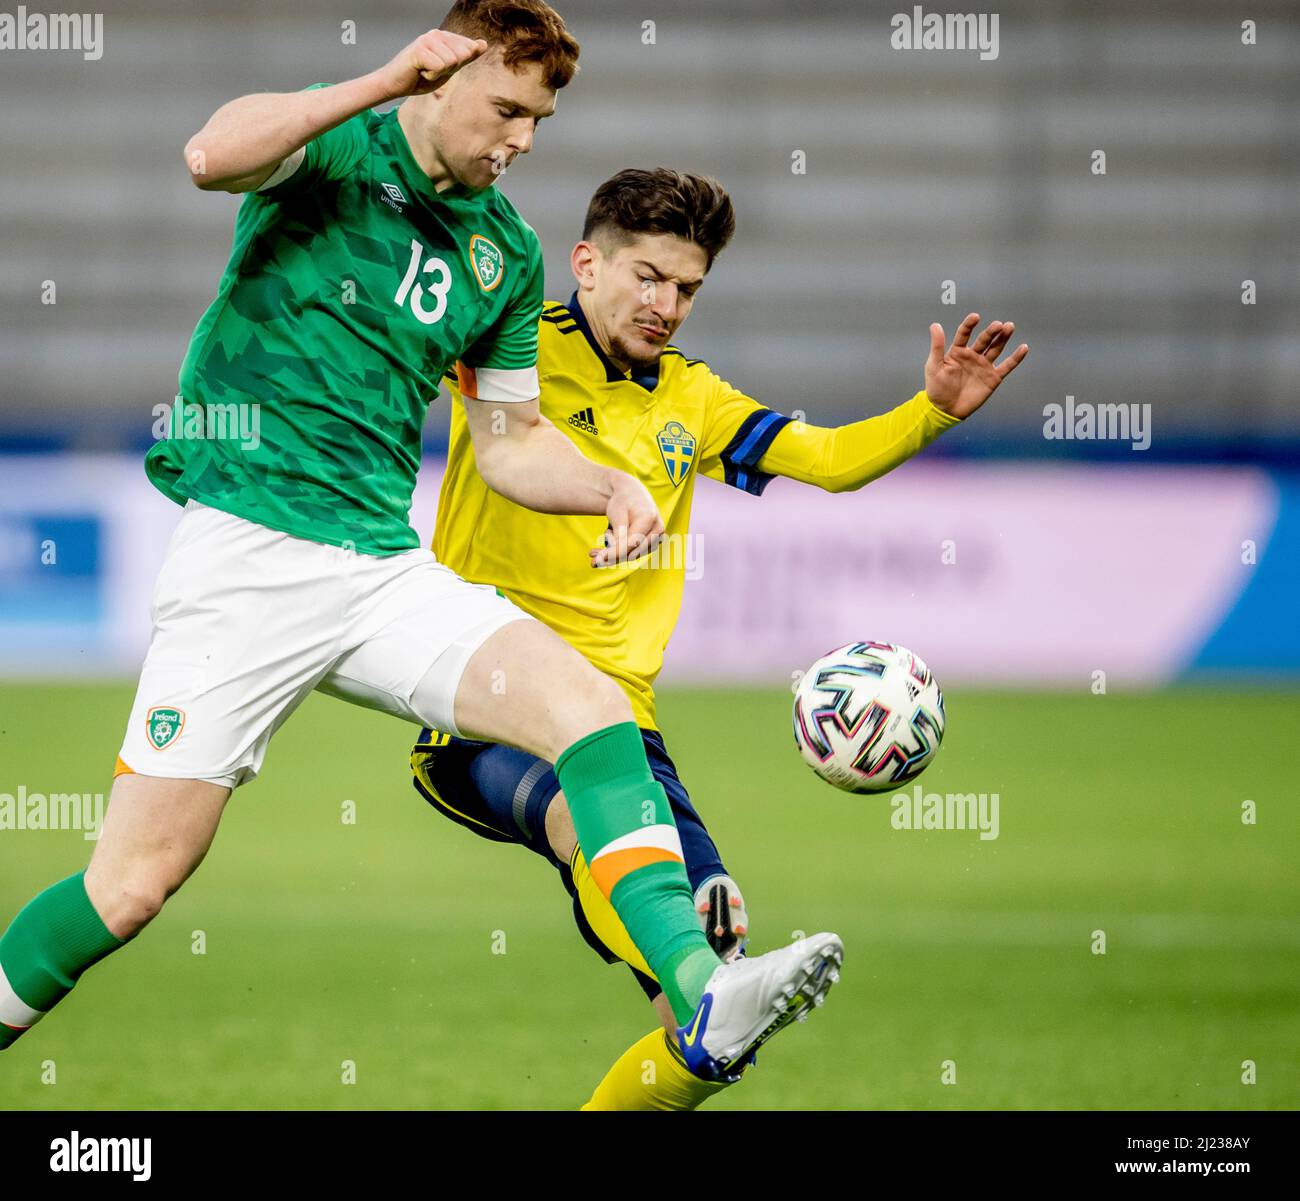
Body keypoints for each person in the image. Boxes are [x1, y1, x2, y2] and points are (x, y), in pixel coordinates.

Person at [0, 5, 842, 1090]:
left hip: (376, 568)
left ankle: (698, 982)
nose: (522, 140)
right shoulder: (342, 145)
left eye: (538, 120)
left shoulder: (504, 252)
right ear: (439, 78)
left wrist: (609, 488)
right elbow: (211, 154)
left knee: (587, 710)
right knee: (131, 884)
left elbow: (507, 446)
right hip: (247, 559)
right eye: (506, 110)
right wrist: (379, 81)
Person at [409, 166, 1029, 1107]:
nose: (667, 306)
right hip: (485, 704)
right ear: (587, 262)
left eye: (688, 288)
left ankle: (690, 1008)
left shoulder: (691, 399)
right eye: (647, 277)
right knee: (589, 825)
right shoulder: (510, 348)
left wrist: (931, 409)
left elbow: (823, 460)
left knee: (716, 1023)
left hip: (624, 723)